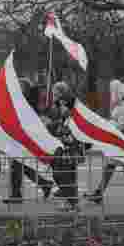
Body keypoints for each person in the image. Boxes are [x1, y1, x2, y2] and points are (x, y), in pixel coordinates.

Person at [87, 82, 124, 206]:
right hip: (118, 142)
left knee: (120, 168)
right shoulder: (119, 106)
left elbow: (122, 126)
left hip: (121, 142)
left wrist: (109, 128)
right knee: (119, 168)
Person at [6, 78, 54, 203]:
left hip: (22, 138)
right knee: (20, 166)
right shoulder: (26, 102)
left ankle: (17, 195)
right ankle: (44, 184)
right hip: (20, 138)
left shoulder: (26, 104)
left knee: (17, 166)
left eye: (20, 88)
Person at [47, 81, 81, 211]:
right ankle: (71, 202)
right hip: (65, 143)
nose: (52, 95)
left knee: (62, 174)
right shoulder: (59, 105)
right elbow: (60, 122)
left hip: (69, 145)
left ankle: (73, 203)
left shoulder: (68, 106)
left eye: (55, 92)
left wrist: (56, 127)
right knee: (68, 174)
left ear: (61, 94)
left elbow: (69, 123)